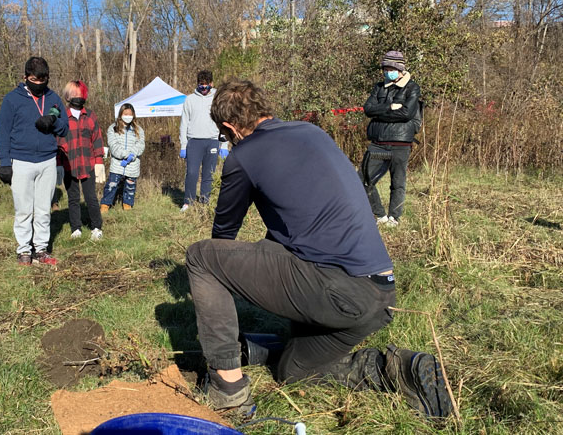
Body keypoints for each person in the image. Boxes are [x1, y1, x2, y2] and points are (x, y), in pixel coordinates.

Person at [185, 80, 451, 418]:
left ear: (229, 127)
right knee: (292, 371)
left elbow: (221, 240)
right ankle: (400, 371)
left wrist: (218, 299)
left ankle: (227, 390)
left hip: (337, 290)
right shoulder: (311, 132)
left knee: (201, 259)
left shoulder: (243, 156)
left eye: (226, 136)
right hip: (378, 296)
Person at [0, 57, 68, 266]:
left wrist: (53, 122)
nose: (38, 84)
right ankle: (24, 251)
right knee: (23, 209)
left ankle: (41, 249)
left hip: (47, 160)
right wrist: (5, 162)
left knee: (44, 209)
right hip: (21, 160)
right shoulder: (12, 100)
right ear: (25, 77)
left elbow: (65, 128)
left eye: (42, 79)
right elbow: (3, 132)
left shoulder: (53, 98)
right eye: (34, 79)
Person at [360, 51, 422, 228]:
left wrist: (381, 113)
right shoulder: (379, 87)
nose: (387, 72)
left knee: (398, 182)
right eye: (385, 68)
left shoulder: (412, 87)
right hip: (378, 143)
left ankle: (394, 218)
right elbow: (368, 109)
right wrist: (389, 107)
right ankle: (380, 214)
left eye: (391, 68)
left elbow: (406, 113)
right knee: (363, 180)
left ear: (400, 69)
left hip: (400, 144)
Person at [57, 80, 106, 241]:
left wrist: (99, 161)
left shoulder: (90, 115)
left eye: (80, 94)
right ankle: (76, 228)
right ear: (68, 96)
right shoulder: (62, 116)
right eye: (74, 94)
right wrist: (58, 164)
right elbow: (57, 141)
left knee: (91, 197)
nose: (77, 97)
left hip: (88, 163)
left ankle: (96, 227)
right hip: (68, 164)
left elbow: (97, 138)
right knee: (73, 198)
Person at [178, 70, 229, 211]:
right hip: (194, 141)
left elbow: (224, 122)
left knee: (208, 174)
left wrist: (224, 144)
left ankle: (205, 202)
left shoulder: (218, 99)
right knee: (192, 172)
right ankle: (188, 202)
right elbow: (184, 123)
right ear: (198, 84)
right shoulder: (190, 99)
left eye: (207, 85)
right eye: (201, 85)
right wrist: (183, 145)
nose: (204, 88)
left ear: (211, 84)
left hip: (212, 141)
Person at [101, 103, 145, 211]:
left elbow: (141, 144)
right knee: (111, 185)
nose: (128, 116)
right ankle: (105, 205)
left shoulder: (138, 130)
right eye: (125, 114)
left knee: (130, 188)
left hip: (133, 165)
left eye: (130, 114)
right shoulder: (113, 128)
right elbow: (113, 145)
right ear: (121, 114)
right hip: (117, 164)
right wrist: (125, 155)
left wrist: (132, 155)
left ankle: (127, 206)